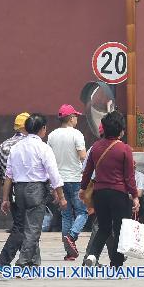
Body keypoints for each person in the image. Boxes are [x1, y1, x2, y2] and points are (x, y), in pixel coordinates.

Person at [0, 114, 67, 267]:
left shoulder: (16, 147)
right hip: (36, 189)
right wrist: (61, 196)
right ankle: (23, 261)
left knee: (25, 225)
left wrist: (5, 199)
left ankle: (34, 261)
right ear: (42, 129)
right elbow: (53, 173)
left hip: (19, 189)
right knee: (33, 228)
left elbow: (8, 175)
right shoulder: (43, 148)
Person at [80, 112, 138, 268]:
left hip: (100, 193)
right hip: (119, 194)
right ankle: (116, 264)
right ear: (120, 130)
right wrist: (135, 195)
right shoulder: (125, 149)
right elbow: (129, 177)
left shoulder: (96, 147)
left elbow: (87, 171)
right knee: (120, 230)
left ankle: (92, 254)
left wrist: (83, 188)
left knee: (104, 227)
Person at [0, 112, 30, 277]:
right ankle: (2, 264)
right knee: (23, 228)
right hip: (30, 191)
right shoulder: (32, 144)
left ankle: (27, 264)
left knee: (24, 226)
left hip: (10, 193)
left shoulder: (3, 145)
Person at [47, 104, 88, 261]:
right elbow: (83, 156)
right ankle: (72, 235)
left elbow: (49, 160)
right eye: (75, 116)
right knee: (83, 212)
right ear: (71, 118)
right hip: (76, 179)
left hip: (59, 180)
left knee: (66, 215)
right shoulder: (77, 134)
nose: (77, 118)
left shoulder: (51, 135)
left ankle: (70, 253)